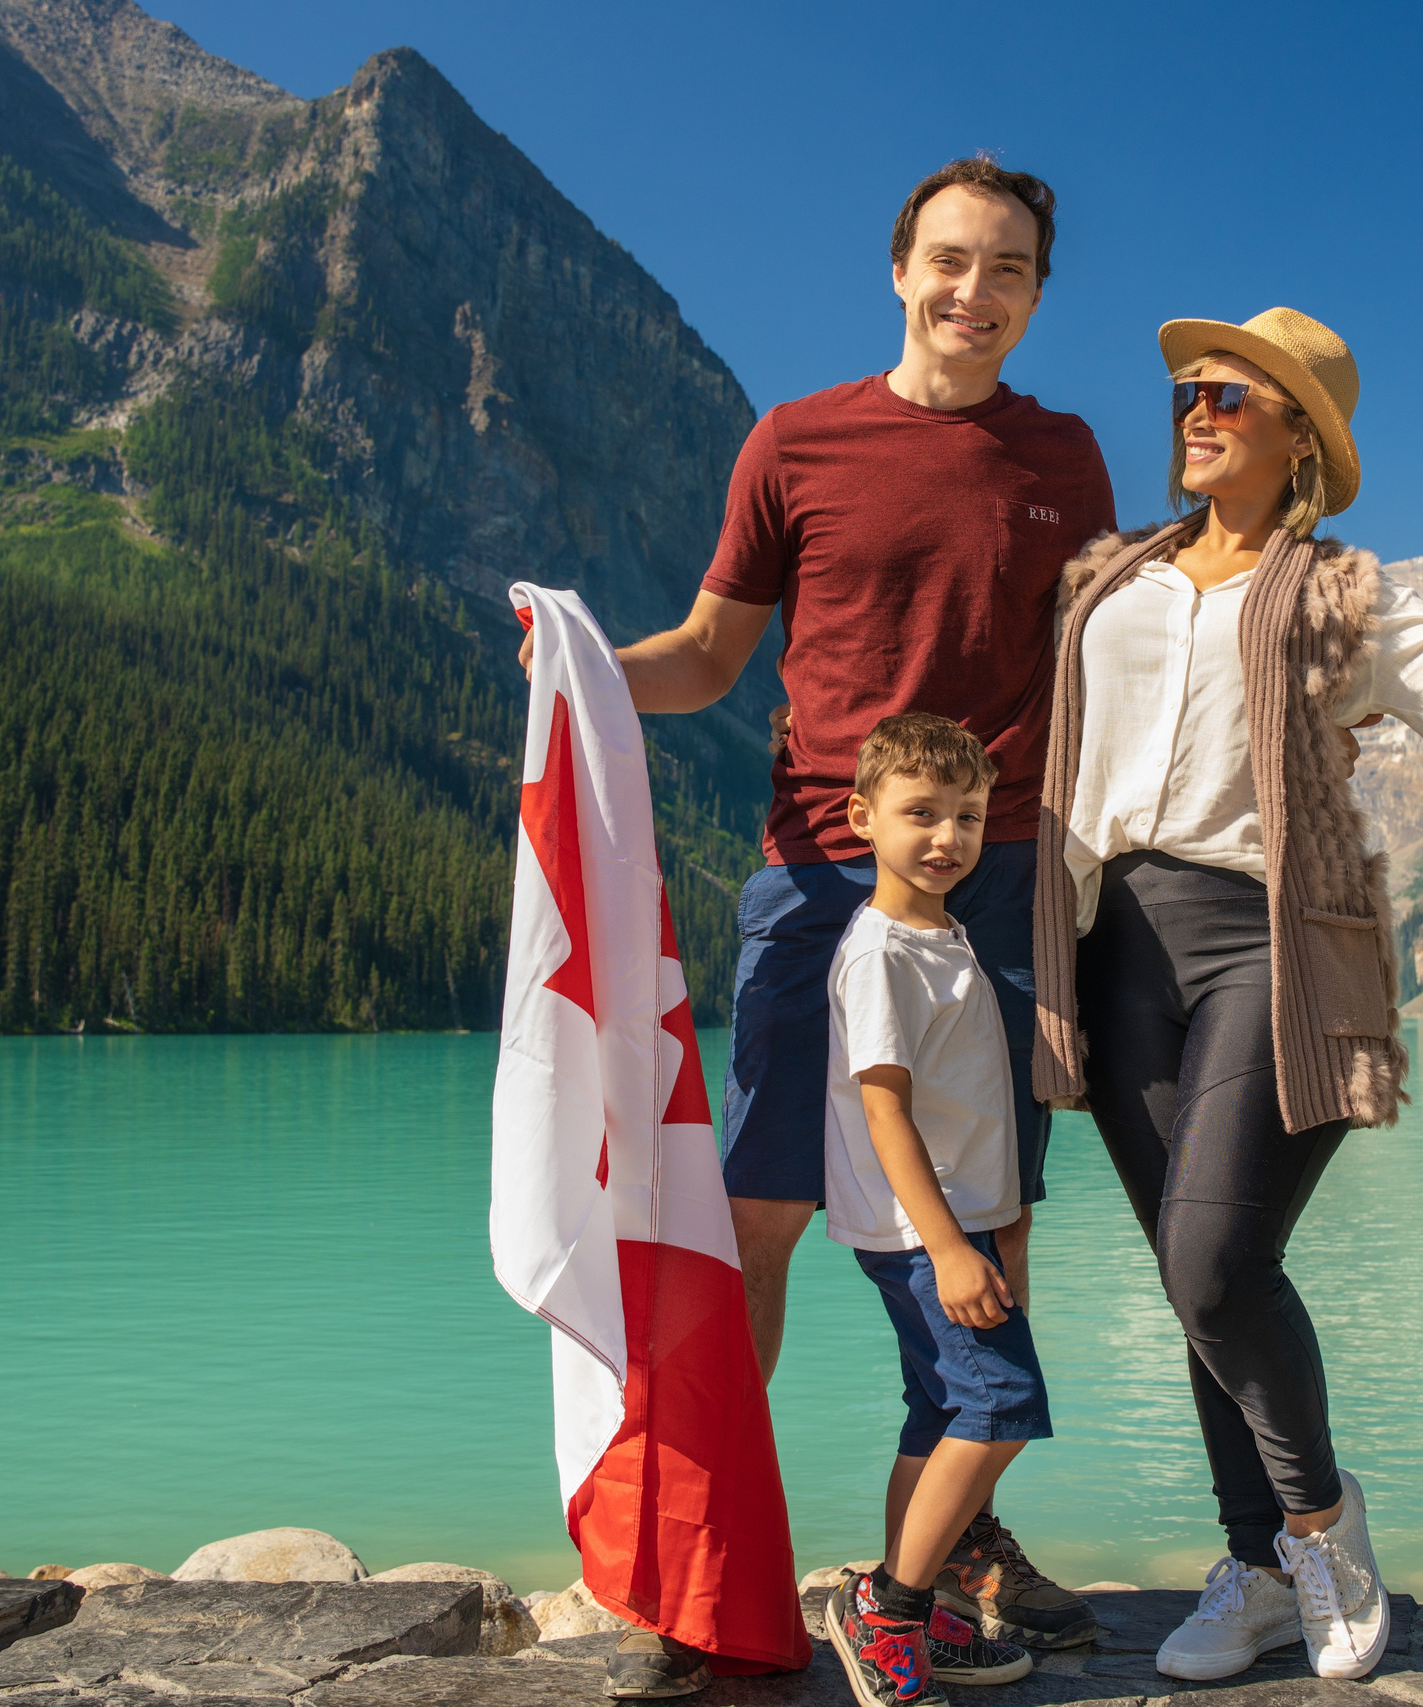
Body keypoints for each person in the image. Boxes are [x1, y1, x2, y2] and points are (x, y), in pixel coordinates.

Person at [534, 158, 1113, 1694]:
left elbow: (1099, 679)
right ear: (899, 267)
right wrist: (581, 665)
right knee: (762, 1215)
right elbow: (713, 657)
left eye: (1007, 270)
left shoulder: (1064, 457)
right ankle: (710, 1549)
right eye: (948, 260)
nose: (972, 291)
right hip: (819, 879)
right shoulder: (799, 439)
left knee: (992, 1219)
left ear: (1039, 294)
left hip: (997, 883)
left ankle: (958, 1541)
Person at [1030, 309, 1423, 1681]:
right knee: (1194, 1279)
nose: (1194, 406)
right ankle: (1256, 1568)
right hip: (1116, 946)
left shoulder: (1340, 590)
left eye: (1227, 390)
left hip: (1272, 943)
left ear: (1298, 432)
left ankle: (1321, 1526)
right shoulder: (1107, 583)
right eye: (1184, 388)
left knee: (1217, 1257)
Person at [818, 714, 1050, 1707]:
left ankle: (902, 1602)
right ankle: (890, 1610)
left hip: (954, 1224)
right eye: (920, 815)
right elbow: (884, 1111)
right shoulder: (879, 953)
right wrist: (952, 1247)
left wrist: (997, 1225)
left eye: (966, 816)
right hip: (924, 1233)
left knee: (941, 1410)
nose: (946, 837)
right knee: (999, 1407)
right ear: (862, 817)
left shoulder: (939, 932)